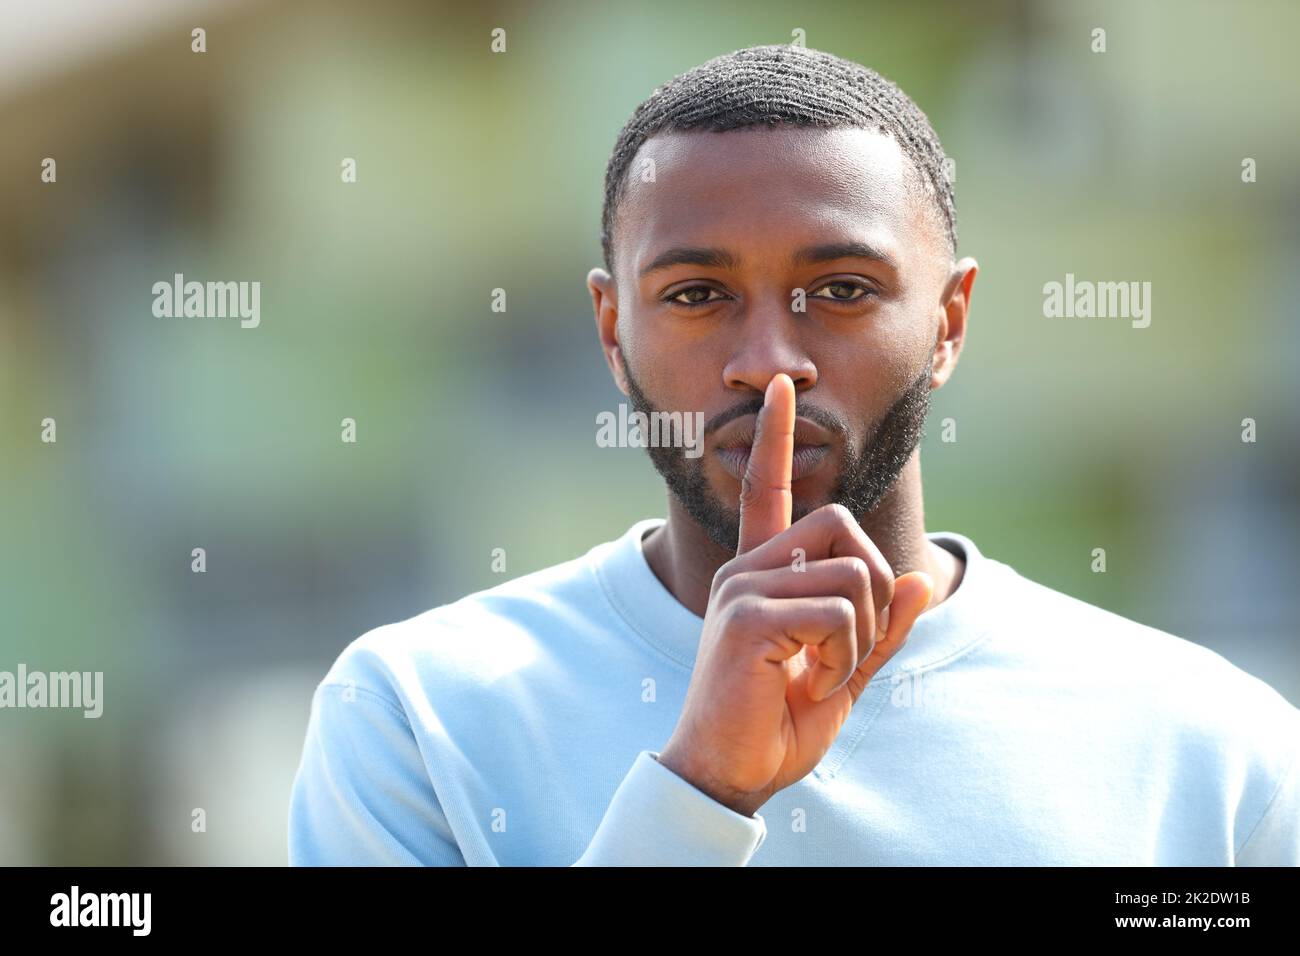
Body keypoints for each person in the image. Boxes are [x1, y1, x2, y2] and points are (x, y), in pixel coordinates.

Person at [287, 44, 1299, 866]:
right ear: (610, 331)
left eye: (844, 289)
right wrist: (699, 790)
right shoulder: (417, 715)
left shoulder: (1209, 748)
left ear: (950, 322)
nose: (768, 361)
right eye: (695, 294)